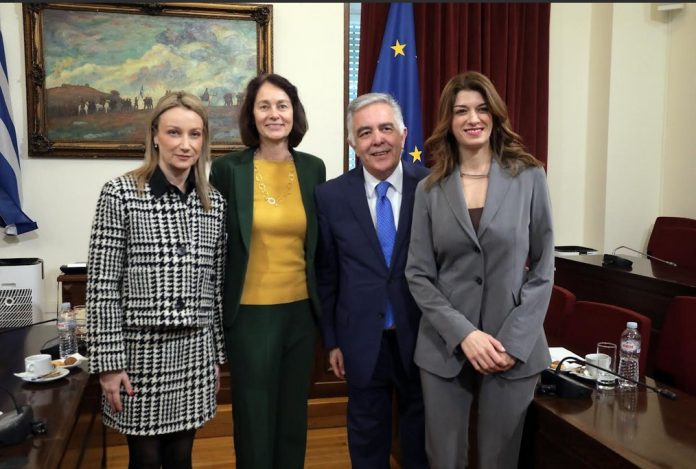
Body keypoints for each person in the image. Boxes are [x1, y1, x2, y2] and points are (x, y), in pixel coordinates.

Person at [405, 71, 554, 469]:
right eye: (461, 111)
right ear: (449, 121)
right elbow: (418, 274)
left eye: (482, 108)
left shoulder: (529, 177)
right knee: (445, 460)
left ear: (494, 115)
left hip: (512, 347)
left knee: (499, 461)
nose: (473, 118)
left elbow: (544, 267)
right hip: (445, 348)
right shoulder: (429, 189)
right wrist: (465, 335)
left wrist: (513, 342)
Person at [86, 91, 227, 469]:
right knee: (145, 459)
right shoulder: (120, 194)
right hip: (139, 355)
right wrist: (109, 364)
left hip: (194, 353)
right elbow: (102, 287)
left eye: (195, 134)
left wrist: (216, 356)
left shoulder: (213, 204)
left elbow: (214, 288)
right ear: (154, 135)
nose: (185, 144)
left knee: (181, 456)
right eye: (174, 132)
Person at [209, 73, 326, 469]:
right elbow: (215, 245)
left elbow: (318, 244)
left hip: (302, 313)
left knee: (293, 414)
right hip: (249, 315)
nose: (274, 114)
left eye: (282, 105)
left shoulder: (313, 168)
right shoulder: (228, 170)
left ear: (294, 113)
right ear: (251, 115)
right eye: (264, 106)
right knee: (254, 417)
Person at [316, 93, 430, 468]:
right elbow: (328, 274)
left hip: (422, 336)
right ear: (353, 143)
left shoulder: (432, 187)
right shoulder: (330, 196)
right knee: (367, 441)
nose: (377, 139)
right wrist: (332, 340)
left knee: (420, 441)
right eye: (365, 132)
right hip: (361, 339)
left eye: (386, 128)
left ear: (403, 134)